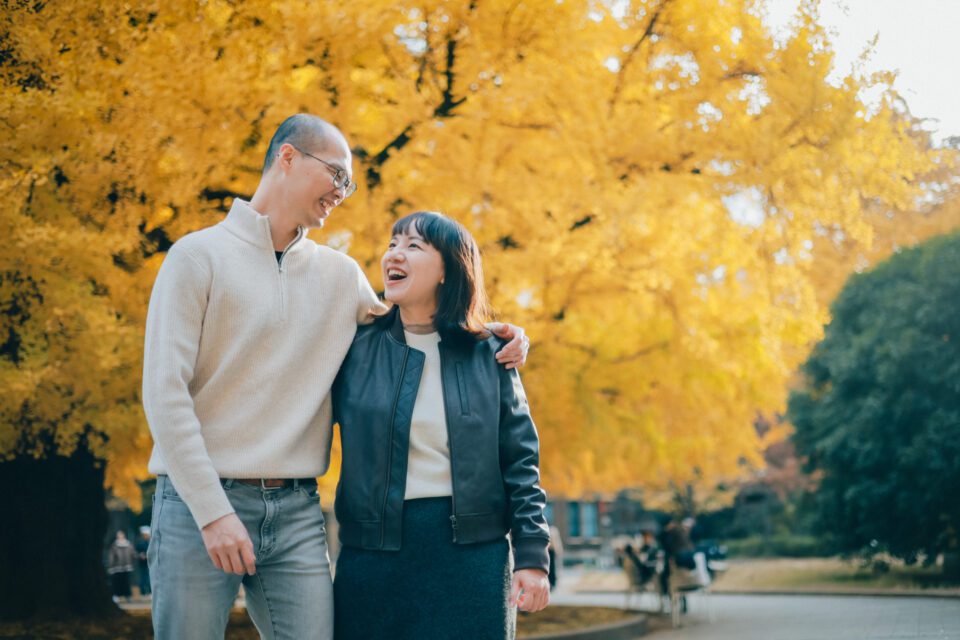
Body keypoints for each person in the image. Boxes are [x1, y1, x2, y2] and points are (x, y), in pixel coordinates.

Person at [141, 115, 529, 640]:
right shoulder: (196, 257)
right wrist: (213, 513)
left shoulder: (340, 276)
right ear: (288, 158)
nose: (343, 192)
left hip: (298, 511)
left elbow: (412, 329)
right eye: (337, 175)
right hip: (197, 502)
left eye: (349, 184)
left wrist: (495, 335)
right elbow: (164, 396)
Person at [331, 211, 550, 640]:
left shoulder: (492, 355)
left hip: (472, 562)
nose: (395, 253)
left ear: (449, 270)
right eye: (393, 243)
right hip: (373, 560)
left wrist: (532, 557)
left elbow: (521, 463)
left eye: (414, 246)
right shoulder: (353, 349)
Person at [107, 530, 136, 603]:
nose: (120, 537)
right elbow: (111, 556)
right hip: (117, 567)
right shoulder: (114, 545)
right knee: (116, 582)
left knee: (126, 582)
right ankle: (116, 596)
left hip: (127, 567)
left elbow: (133, 554)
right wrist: (111, 566)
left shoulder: (129, 544)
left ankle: (127, 596)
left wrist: (133, 560)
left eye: (121, 535)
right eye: (119, 535)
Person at [135, 526, 151, 598]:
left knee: (149, 578)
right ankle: (143, 592)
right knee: (143, 578)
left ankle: (149, 592)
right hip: (143, 563)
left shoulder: (151, 542)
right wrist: (141, 555)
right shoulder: (140, 543)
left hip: (150, 563)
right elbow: (136, 553)